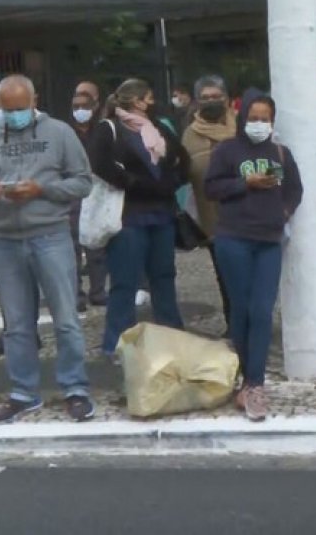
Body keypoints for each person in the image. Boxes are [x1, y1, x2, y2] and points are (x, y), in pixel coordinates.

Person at [0, 75, 95, 423]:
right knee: (16, 323)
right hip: (4, 239)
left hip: (51, 235)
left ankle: (76, 389)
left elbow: (83, 182)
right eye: (8, 110)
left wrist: (43, 189)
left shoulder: (60, 133)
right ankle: (23, 393)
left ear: (35, 101)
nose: (15, 115)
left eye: (21, 108)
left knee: (66, 318)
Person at [204, 90, 303, 422]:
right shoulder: (227, 151)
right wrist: (244, 183)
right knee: (242, 310)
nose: (259, 123)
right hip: (233, 238)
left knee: (262, 311)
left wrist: (284, 211)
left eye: (265, 118)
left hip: (269, 241)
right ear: (243, 117)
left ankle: (255, 383)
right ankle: (247, 378)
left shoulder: (281, 153)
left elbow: (295, 189)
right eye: (254, 117)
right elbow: (211, 188)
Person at [89, 78, 190, 358]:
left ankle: (172, 337)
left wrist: (172, 181)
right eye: (149, 98)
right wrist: (137, 183)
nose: (153, 102)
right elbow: (100, 165)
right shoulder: (109, 128)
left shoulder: (157, 128)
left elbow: (181, 158)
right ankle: (118, 344)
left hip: (161, 214)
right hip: (129, 215)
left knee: (164, 277)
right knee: (125, 281)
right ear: (137, 101)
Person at [181, 75, 236, 333]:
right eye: (205, 98)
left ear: (226, 98)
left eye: (216, 96)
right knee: (225, 274)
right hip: (211, 219)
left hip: (247, 215)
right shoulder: (190, 135)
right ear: (197, 101)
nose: (211, 101)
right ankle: (233, 324)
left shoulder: (242, 126)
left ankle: (255, 324)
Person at [70, 87, 106, 307]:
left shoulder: (102, 131)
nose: (80, 110)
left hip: (97, 193)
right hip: (73, 194)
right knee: (72, 247)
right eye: (76, 107)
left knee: (96, 245)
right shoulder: (66, 132)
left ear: (95, 107)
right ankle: (76, 294)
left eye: (84, 106)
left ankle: (98, 291)